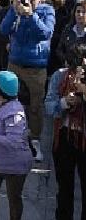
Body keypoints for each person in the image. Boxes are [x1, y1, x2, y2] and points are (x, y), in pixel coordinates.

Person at [0, 0, 55, 161]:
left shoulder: (47, 11)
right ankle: (11, 135)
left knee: (35, 106)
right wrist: (13, 11)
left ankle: (35, 140)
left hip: (36, 67)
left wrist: (31, 15)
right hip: (15, 63)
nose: (29, 1)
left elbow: (45, 33)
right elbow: (3, 29)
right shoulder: (17, 10)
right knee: (9, 101)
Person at [0, 71, 33, 220]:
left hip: (14, 166)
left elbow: (14, 141)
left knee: (14, 199)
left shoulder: (15, 112)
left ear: (1, 91)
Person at [45, 42, 86, 220]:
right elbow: (49, 107)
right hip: (64, 137)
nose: (76, 75)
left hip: (84, 138)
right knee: (64, 190)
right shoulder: (59, 77)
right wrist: (63, 103)